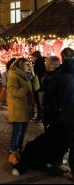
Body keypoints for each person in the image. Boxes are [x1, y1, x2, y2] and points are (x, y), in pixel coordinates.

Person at [7, 58, 35, 166]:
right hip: (18, 109)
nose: (29, 66)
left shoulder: (27, 76)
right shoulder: (14, 76)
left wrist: (34, 75)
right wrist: (25, 89)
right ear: (21, 65)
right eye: (27, 64)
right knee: (17, 133)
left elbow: (36, 87)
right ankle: (12, 152)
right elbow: (14, 93)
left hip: (26, 108)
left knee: (22, 133)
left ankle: (18, 150)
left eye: (29, 64)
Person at [55, 47, 74, 180]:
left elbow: (53, 96)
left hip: (68, 114)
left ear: (62, 58)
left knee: (72, 142)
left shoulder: (59, 76)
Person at [31, 50, 46, 121]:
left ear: (35, 56)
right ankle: (41, 115)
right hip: (43, 84)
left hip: (38, 84)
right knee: (41, 101)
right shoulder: (44, 62)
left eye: (33, 57)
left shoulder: (38, 63)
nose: (32, 58)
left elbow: (36, 74)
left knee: (39, 101)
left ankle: (39, 116)